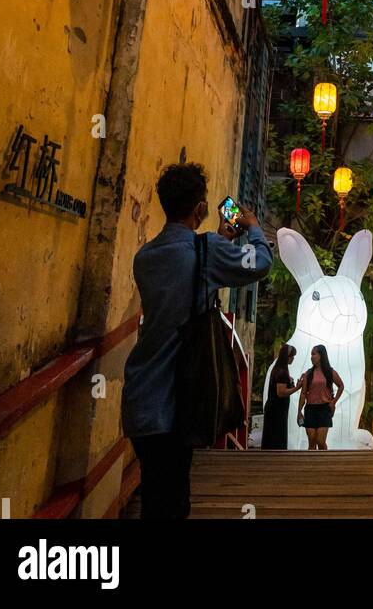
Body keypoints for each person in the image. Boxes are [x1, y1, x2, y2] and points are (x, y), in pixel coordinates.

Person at [122, 163, 272, 519]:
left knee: (158, 497)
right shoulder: (205, 252)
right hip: (180, 398)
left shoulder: (144, 258)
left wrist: (217, 241)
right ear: (201, 209)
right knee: (173, 502)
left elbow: (185, 274)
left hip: (143, 396)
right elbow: (261, 262)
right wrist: (252, 228)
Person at [298, 344, 345, 450]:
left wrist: (334, 402)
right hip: (310, 409)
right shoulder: (308, 374)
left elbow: (341, 385)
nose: (311, 357)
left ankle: (324, 464)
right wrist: (299, 411)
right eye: (311, 354)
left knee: (320, 440)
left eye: (314, 354)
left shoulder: (329, 371)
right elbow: (303, 393)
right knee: (312, 440)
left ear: (321, 355)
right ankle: (312, 465)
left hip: (324, 409)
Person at [261, 344, 301, 450]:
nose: (293, 359)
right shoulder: (282, 372)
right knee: (276, 439)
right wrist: (297, 387)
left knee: (272, 438)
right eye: (292, 356)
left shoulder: (279, 369)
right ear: (287, 357)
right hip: (276, 409)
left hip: (276, 408)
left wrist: (290, 383)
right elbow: (281, 392)